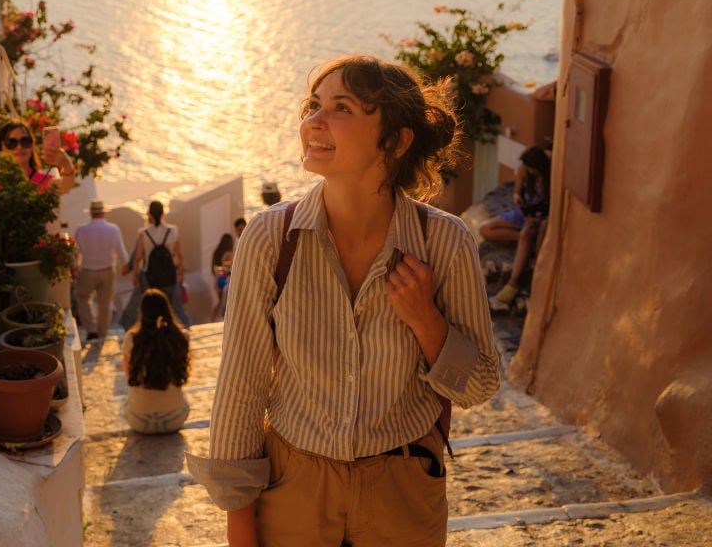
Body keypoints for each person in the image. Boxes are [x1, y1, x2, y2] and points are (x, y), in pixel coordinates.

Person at [186, 54, 500, 547]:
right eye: (313, 105)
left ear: (396, 141)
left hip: (405, 488)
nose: (314, 120)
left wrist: (427, 322)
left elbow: (480, 382)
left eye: (342, 108)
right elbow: (241, 386)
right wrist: (239, 529)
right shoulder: (270, 240)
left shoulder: (445, 242)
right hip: (292, 487)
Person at [478, 145, 551, 307]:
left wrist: (533, 219)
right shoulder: (526, 173)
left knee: (526, 234)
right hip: (522, 214)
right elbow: (517, 193)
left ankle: (513, 282)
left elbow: (547, 207)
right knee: (485, 229)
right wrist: (518, 197)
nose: (529, 170)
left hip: (538, 218)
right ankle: (526, 241)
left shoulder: (549, 179)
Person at [121, 288, 192, 434]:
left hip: (139, 420)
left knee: (126, 401)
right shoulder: (182, 337)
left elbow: (128, 375)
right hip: (174, 418)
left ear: (142, 312)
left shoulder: (131, 339)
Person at [122, 200, 190, 325]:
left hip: (149, 276)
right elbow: (178, 254)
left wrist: (135, 275)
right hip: (169, 274)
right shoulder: (173, 230)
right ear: (163, 213)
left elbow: (138, 257)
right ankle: (172, 330)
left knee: (151, 307)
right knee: (170, 306)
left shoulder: (144, 233)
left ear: (149, 214)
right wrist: (180, 272)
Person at [74, 200, 129, 341]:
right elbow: (120, 251)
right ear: (103, 213)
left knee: (83, 299)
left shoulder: (81, 231)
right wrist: (127, 266)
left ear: (91, 213)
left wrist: (74, 267)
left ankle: (91, 330)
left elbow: (76, 253)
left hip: (87, 270)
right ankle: (102, 332)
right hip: (107, 271)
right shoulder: (113, 229)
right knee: (104, 302)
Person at [0, 121, 77, 196]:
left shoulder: (42, 181)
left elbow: (66, 186)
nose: (19, 147)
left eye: (25, 141)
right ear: (1, 147)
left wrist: (66, 164)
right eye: (11, 142)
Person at [210, 232, 235, 321]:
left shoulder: (216, 252)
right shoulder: (228, 254)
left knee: (220, 301)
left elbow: (212, 268)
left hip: (217, 279)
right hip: (224, 279)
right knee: (223, 301)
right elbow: (227, 267)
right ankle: (217, 319)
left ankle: (213, 318)